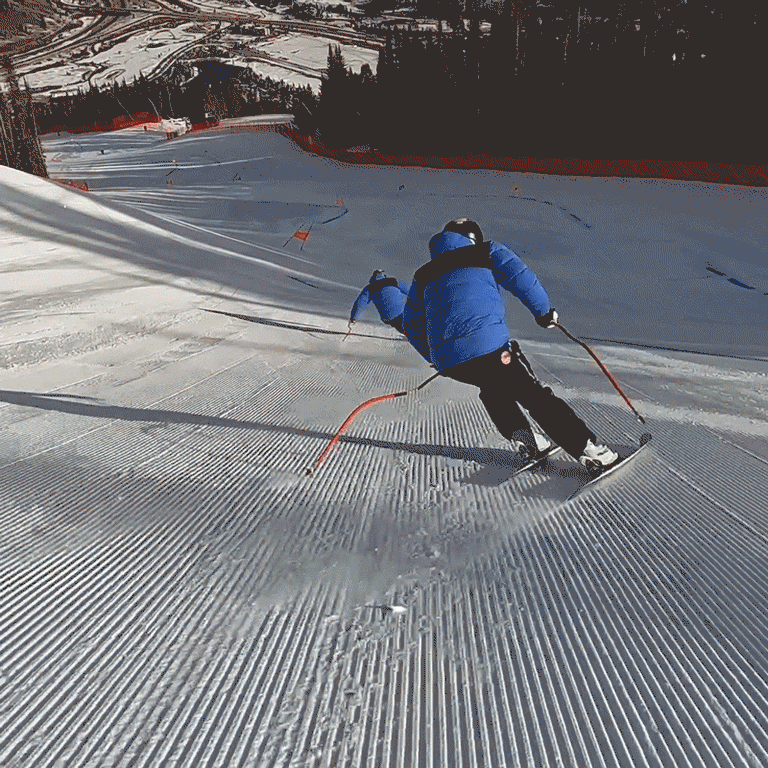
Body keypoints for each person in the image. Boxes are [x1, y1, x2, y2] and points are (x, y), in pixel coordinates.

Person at [402, 218, 619, 468]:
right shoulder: (486, 251)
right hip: (489, 348)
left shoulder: (423, 275)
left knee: (493, 387)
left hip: (450, 362)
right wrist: (544, 312)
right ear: (473, 239)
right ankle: (587, 449)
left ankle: (526, 440)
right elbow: (520, 277)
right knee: (531, 393)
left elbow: (412, 324)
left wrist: (435, 356)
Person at [349, 270, 409, 334]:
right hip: (402, 311)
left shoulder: (369, 288)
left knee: (396, 323)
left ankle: (406, 333)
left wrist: (354, 317)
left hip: (388, 317)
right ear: (384, 276)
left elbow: (360, 303)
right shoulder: (393, 281)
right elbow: (409, 291)